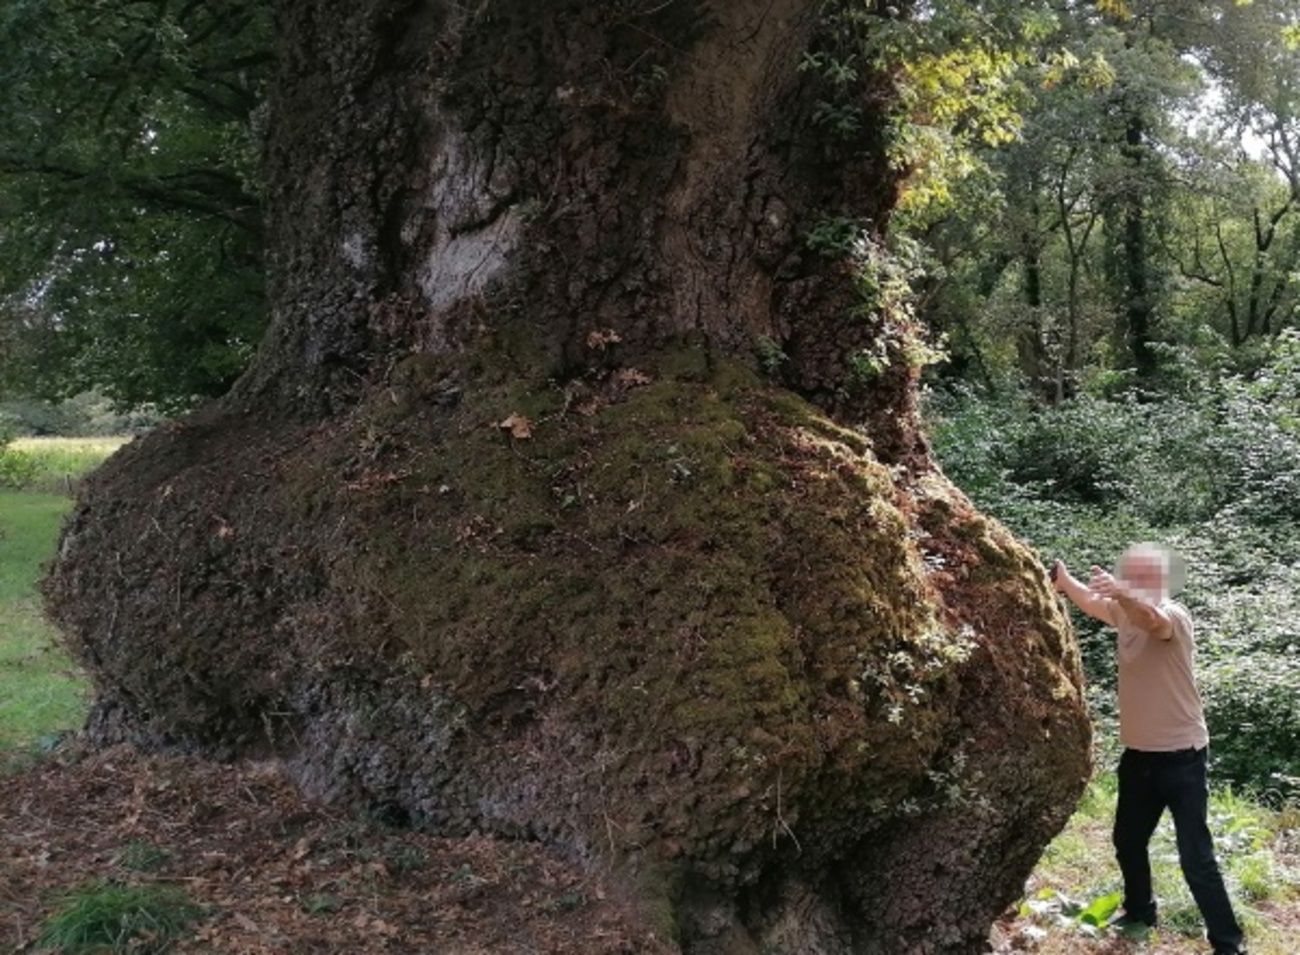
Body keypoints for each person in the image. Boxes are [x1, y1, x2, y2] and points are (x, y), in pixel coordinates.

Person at [1051, 543, 1247, 955]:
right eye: (1128, 574)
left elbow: (1151, 619)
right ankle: (1141, 912)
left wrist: (1122, 591)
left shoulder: (1173, 616)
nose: (1132, 581)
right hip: (1138, 757)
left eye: (1141, 577)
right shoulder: (1123, 610)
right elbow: (1094, 602)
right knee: (1128, 840)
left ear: (1159, 581)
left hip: (1182, 758)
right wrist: (1065, 581)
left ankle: (1228, 944)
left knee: (1196, 858)